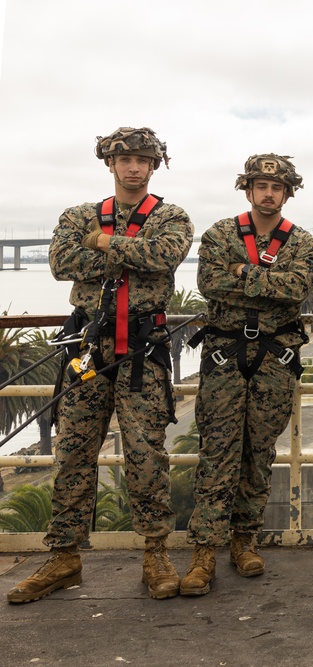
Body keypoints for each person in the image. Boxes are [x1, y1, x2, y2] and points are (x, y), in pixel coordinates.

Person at [7, 127, 193, 604]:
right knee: (72, 454)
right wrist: (124, 251)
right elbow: (60, 262)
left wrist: (102, 244)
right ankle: (65, 556)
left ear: (155, 166)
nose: (133, 166)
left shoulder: (171, 217)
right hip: (87, 348)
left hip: (141, 352)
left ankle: (156, 553)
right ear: (110, 164)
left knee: (147, 455)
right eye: (124, 158)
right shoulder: (78, 215)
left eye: (142, 159)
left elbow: (165, 255)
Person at [180, 154, 313, 596]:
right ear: (248, 189)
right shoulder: (221, 232)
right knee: (217, 451)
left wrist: (241, 271)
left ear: (287, 193)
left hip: (275, 359)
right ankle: (205, 550)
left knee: (258, 453)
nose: (268, 193)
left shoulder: (304, 243)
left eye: (277, 187)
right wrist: (262, 279)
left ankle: (244, 540)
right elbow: (209, 283)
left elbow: (296, 290)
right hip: (225, 353)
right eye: (260, 185)